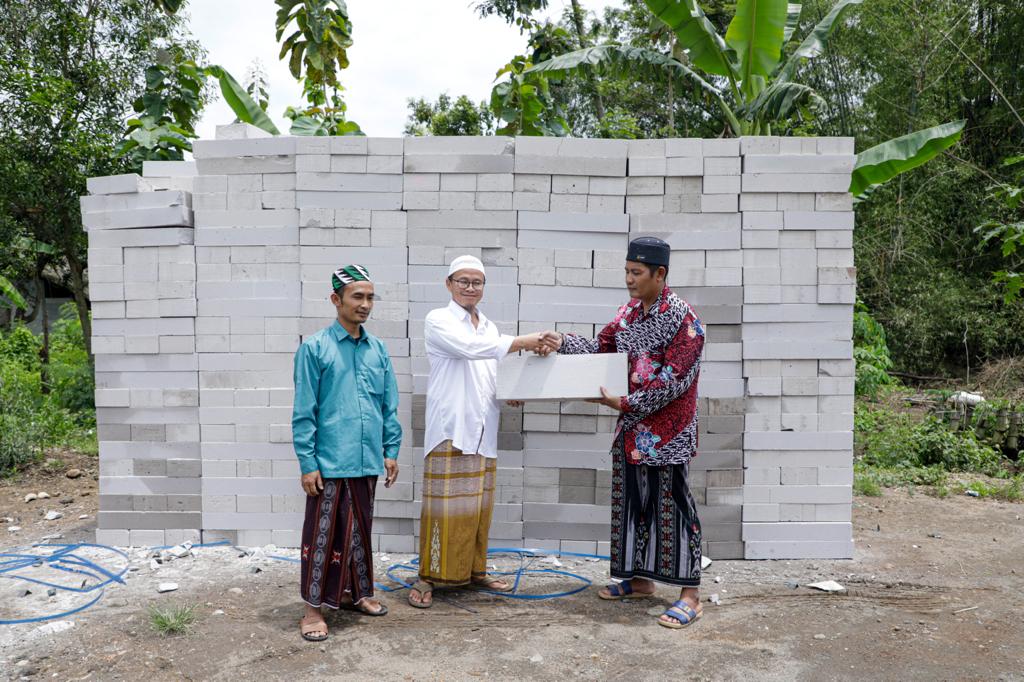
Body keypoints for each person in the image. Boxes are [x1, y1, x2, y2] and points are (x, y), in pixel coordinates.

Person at [539, 236, 706, 629]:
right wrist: (562, 342)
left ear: (659, 274)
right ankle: (640, 580)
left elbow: (673, 381)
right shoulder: (629, 314)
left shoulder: (686, 322)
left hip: (668, 434)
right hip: (631, 433)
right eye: (627, 271)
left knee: (675, 509)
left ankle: (691, 595)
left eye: (637, 272)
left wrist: (625, 404)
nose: (629, 279)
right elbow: (602, 349)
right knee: (633, 506)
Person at [408, 255, 550, 608]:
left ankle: (475, 569)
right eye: (463, 281)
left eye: (477, 282)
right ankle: (427, 576)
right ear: (449, 284)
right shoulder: (438, 320)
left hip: (483, 427)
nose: (470, 288)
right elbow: (470, 349)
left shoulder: (487, 326)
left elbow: (490, 367)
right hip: (451, 427)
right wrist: (522, 341)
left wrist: (509, 392)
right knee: (442, 508)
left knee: (478, 507)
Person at [292, 264, 402, 641]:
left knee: (361, 533)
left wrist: (391, 450)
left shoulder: (378, 349)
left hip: (367, 459)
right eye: (358, 296)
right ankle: (312, 609)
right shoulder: (315, 348)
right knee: (324, 535)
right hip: (329, 462)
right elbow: (304, 412)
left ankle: (360, 593)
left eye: (370, 297)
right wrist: (308, 464)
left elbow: (389, 405)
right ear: (336, 299)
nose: (366, 304)